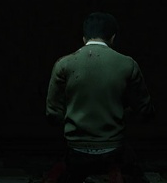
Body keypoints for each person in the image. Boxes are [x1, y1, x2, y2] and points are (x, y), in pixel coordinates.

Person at [45, 12, 154, 183]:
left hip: (76, 149)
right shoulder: (128, 64)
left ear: (84, 38)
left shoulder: (63, 64)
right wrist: (120, 116)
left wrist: (75, 122)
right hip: (114, 149)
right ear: (113, 37)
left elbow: (52, 114)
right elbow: (145, 110)